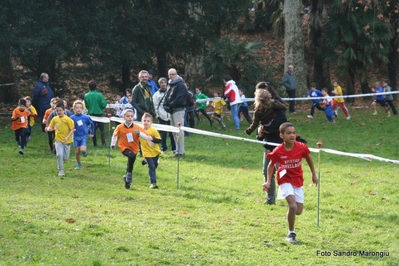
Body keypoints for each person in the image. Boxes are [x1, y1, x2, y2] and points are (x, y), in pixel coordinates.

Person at [262, 122, 318, 244]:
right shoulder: (278, 150)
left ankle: (290, 216)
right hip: (284, 179)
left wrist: (313, 174)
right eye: (288, 133)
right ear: (282, 136)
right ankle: (291, 233)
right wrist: (267, 181)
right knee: (292, 206)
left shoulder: (301, 147)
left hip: (298, 179)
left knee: (298, 210)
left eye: (294, 133)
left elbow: (308, 158)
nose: (292, 135)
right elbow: (271, 165)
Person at [253, 82, 288, 205]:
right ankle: (270, 200)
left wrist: (267, 128)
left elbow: (282, 123)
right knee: (266, 172)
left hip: (279, 146)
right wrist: (260, 133)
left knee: (283, 172)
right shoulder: (260, 110)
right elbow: (260, 132)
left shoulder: (278, 108)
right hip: (268, 146)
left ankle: (291, 197)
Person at [111, 109, 153, 189]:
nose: (130, 118)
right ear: (124, 117)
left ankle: (127, 180)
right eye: (128, 116)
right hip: (124, 147)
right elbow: (115, 135)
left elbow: (146, 135)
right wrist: (113, 144)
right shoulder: (120, 127)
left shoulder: (137, 127)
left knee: (132, 158)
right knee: (131, 156)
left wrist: (151, 142)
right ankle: (129, 174)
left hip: (134, 148)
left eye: (131, 116)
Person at [45, 102, 75, 177]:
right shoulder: (55, 119)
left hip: (67, 141)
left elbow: (72, 129)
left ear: (64, 110)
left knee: (65, 158)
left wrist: (67, 137)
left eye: (60, 110)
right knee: (59, 155)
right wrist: (48, 128)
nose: (58, 112)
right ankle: (61, 170)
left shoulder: (68, 119)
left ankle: (62, 159)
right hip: (58, 140)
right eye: (57, 111)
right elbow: (51, 127)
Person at [163, 68, 187, 157]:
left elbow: (180, 98)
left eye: (173, 74)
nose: (171, 76)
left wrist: (170, 105)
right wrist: (165, 105)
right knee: (174, 132)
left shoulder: (180, 84)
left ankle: (181, 151)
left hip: (178, 110)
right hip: (172, 110)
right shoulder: (170, 84)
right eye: (169, 74)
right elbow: (167, 96)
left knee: (179, 131)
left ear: (176, 74)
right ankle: (177, 151)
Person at [153, 77, 176, 153]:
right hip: (161, 115)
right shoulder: (156, 95)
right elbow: (155, 106)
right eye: (161, 83)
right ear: (159, 84)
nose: (163, 84)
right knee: (163, 134)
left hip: (170, 115)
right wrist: (157, 115)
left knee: (172, 133)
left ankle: (174, 148)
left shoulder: (171, 92)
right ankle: (164, 149)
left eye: (164, 82)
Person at [70, 100, 95, 170]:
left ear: (82, 109)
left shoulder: (85, 117)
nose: (79, 109)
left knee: (83, 150)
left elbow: (92, 124)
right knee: (77, 152)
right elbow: (69, 126)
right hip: (75, 136)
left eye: (80, 108)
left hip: (83, 136)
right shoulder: (72, 118)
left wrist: (92, 133)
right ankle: (79, 164)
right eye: (77, 108)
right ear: (74, 109)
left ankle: (84, 152)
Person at [140, 113, 162, 188]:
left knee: (154, 165)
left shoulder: (153, 130)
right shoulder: (140, 131)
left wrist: (152, 139)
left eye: (148, 121)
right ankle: (153, 183)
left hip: (155, 151)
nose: (146, 122)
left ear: (151, 122)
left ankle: (146, 161)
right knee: (152, 167)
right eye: (144, 120)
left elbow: (159, 140)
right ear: (141, 122)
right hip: (146, 152)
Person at [84, 80, 107, 147]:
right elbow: (104, 104)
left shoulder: (86, 95)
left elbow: (86, 105)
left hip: (91, 114)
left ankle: (95, 144)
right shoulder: (99, 95)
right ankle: (103, 143)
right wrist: (100, 107)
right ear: (96, 86)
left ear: (89, 87)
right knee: (102, 129)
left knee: (92, 129)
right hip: (99, 114)